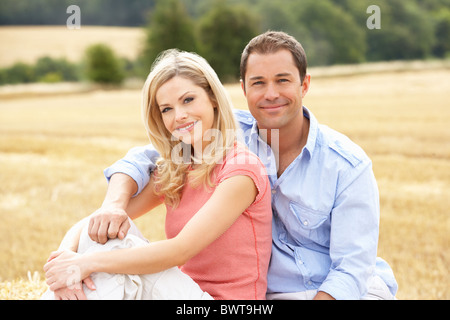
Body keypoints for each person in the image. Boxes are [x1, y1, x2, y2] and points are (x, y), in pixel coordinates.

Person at [70, 31, 399, 300]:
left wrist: (83, 263)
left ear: (305, 84)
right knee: (110, 258)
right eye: (258, 83)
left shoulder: (347, 165)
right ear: (242, 89)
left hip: (338, 291)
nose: (271, 94)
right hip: (268, 294)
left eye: (283, 80)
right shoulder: (225, 135)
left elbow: (351, 271)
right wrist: (112, 206)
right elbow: (147, 158)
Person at [42, 49, 272, 300]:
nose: (179, 116)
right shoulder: (178, 167)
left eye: (188, 100)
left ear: (213, 98)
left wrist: (86, 264)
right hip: (177, 294)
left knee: (117, 246)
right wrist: (63, 262)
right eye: (166, 109)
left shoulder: (242, 169)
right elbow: (95, 223)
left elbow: (179, 251)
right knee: (110, 227)